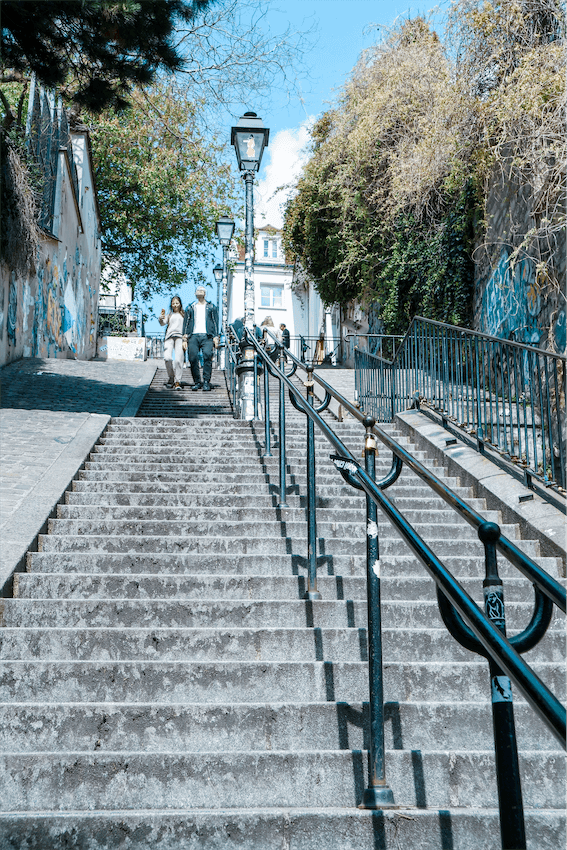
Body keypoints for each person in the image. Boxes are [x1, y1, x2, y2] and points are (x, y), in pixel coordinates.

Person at [182, 286, 219, 391]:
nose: (200, 292)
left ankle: (206, 381)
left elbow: (216, 322)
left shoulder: (211, 307)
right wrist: (184, 337)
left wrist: (216, 336)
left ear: (205, 294)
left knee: (207, 356)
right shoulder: (190, 307)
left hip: (207, 336)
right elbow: (186, 322)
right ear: (195, 294)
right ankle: (197, 381)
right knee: (192, 357)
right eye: (198, 290)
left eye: (202, 290)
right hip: (193, 335)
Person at [159, 295, 185, 390]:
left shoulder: (183, 315)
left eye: (177, 303)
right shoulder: (169, 315)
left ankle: (177, 381)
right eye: (173, 303)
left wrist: (186, 339)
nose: (175, 305)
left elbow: (186, 327)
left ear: (180, 304)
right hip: (169, 337)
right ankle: (171, 377)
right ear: (171, 304)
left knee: (178, 360)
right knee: (167, 357)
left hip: (180, 337)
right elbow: (162, 323)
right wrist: (161, 318)